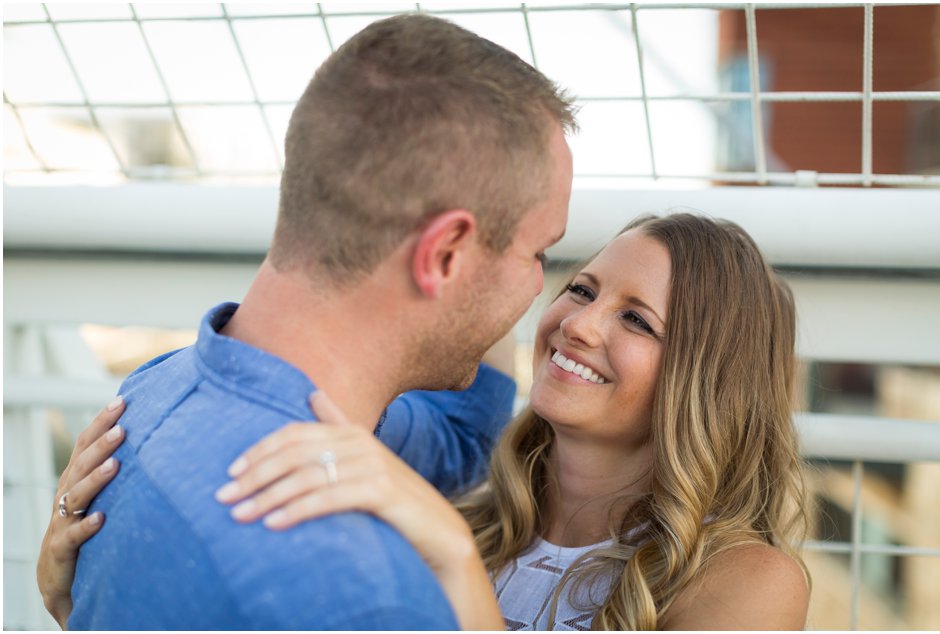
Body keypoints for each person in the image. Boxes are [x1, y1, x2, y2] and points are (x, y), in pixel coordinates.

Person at [44, 12, 576, 630]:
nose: (541, 284)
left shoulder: (150, 393)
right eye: (537, 252)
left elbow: (461, 445)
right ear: (444, 254)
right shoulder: (366, 591)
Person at [42, 213, 812, 630]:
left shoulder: (751, 582)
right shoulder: (471, 504)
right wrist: (81, 585)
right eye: (580, 289)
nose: (577, 324)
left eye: (636, 320)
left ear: (706, 381)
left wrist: (447, 553)